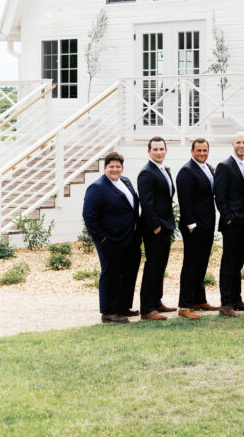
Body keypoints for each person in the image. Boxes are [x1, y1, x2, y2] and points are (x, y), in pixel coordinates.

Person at [82, 151, 141, 324]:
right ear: (105, 168)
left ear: (122, 168)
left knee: (128, 273)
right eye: (111, 167)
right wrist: (101, 239)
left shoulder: (125, 182)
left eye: (118, 166)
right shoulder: (97, 187)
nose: (115, 169)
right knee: (111, 274)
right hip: (110, 240)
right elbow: (89, 216)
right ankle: (108, 311)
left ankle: (123, 307)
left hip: (129, 238)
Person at [176, 137, 217, 320]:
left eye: (205, 150)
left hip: (207, 224)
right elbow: (185, 201)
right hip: (194, 226)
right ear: (192, 152)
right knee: (191, 265)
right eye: (198, 150)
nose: (202, 153)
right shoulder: (186, 171)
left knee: (202, 264)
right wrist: (191, 225)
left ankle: (198, 300)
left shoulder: (208, 168)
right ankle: (184, 305)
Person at [137, 135, 177, 321]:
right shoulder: (146, 173)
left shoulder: (163, 170)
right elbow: (146, 202)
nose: (159, 152)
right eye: (155, 149)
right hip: (155, 228)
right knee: (152, 266)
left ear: (166, 150)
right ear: (149, 151)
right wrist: (156, 226)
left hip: (165, 225)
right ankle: (146, 308)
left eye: (162, 149)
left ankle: (156, 301)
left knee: (161, 265)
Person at [214, 132, 244, 317]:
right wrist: (228, 217)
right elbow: (219, 195)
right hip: (231, 223)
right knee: (229, 263)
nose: (241, 145)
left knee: (238, 262)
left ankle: (237, 299)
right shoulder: (224, 166)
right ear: (232, 143)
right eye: (238, 142)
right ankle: (225, 302)